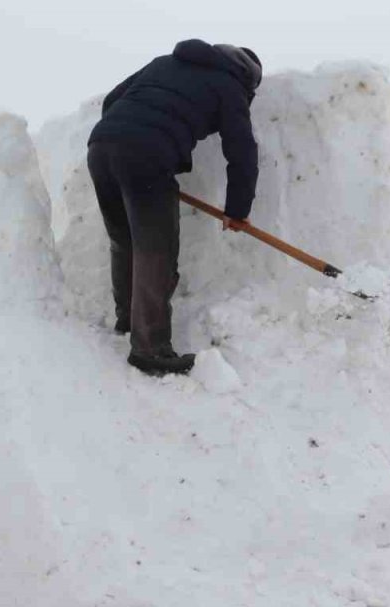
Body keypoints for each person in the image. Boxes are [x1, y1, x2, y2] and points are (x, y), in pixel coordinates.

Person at [88, 38, 262, 376]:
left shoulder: (163, 62)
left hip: (101, 145)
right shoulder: (230, 85)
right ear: (246, 78)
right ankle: (150, 350)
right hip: (148, 154)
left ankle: (128, 318)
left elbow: (112, 99)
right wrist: (237, 210)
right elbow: (242, 151)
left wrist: (124, 139)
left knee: (124, 240)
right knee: (157, 252)